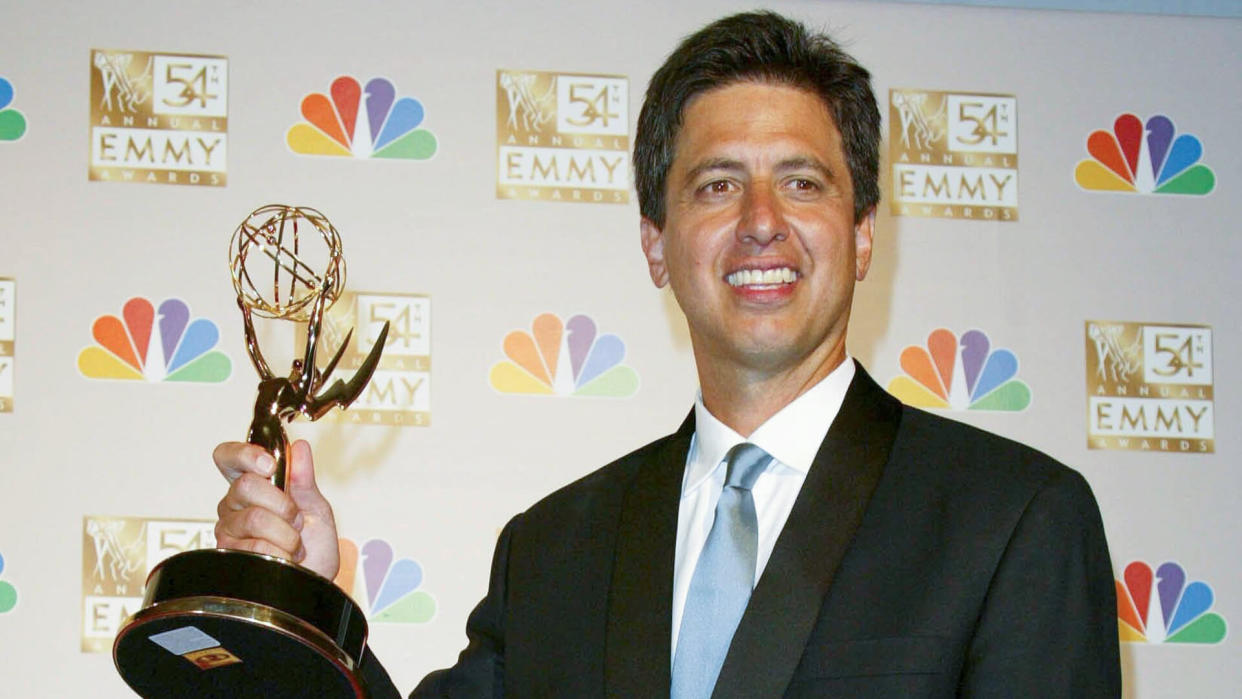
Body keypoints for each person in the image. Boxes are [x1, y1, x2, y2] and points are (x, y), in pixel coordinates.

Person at [213, 11, 1121, 697]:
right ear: (656, 242)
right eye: (717, 184)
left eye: (802, 182)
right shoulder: (553, 550)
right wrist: (299, 600)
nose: (763, 221)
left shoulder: (1015, 522)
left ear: (863, 233)